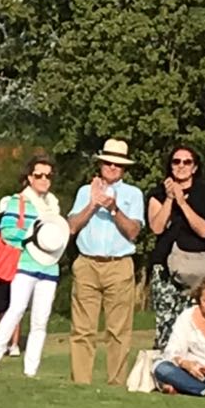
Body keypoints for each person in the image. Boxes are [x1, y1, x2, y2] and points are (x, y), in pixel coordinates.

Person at [67, 138, 145, 385]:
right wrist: (93, 204)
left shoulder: (133, 194)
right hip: (87, 263)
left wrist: (113, 208)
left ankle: (116, 383)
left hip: (118, 264)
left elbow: (133, 231)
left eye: (117, 164)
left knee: (118, 330)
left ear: (124, 169)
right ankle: (81, 383)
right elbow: (71, 227)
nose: (112, 167)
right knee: (82, 329)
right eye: (108, 163)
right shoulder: (84, 191)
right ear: (100, 164)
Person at [0, 155, 68, 377]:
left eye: (48, 176)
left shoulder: (53, 205)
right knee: (16, 309)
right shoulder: (19, 201)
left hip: (49, 266)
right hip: (25, 263)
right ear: (30, 178)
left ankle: (31, 369)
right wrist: (31, 238)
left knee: (41, 320)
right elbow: (8, 231)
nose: (44, 179)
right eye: (39, 175)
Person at [146, 145, 205, 351]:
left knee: (196, 327)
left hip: (197, 269)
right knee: (167, 328)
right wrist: (170, 198)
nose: (181, 166)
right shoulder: (157, 194)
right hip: (165, 269)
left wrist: (182, 203)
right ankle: (166, 367)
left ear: (194, 167)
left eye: (187, 162)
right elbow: (157, 227)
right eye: (176, 161)